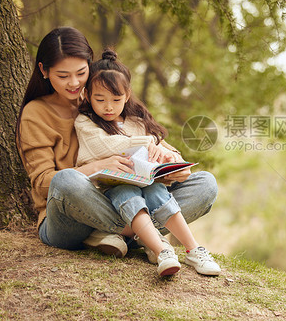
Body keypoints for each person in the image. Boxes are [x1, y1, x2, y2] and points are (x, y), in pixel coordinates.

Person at [16, 26, 218, 263]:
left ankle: (121, 234)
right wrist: (98, 167)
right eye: (63, 76)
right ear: (44, 70)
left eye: (81, 73)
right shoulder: (36, 113)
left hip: (123, 198)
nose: (74, 83)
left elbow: (147, 134)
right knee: (66, 180)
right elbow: (42, 186)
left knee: (205, 184)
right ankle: (143, 235)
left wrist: (170, 158)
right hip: (72, 215)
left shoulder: (103, 96)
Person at [73, 49, 221, 276]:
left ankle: (192, 249)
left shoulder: (137, 120)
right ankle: (160, 247)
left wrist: (167, 157)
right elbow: (104, 146)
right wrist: (149, 142)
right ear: (86, 95)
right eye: (99, 99)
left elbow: (160, 150)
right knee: (126, 192)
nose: (108, 107)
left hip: (146, 186)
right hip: (108, 194)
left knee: (161, 191)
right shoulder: (85, 122)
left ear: (128, 94)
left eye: (116, 99)